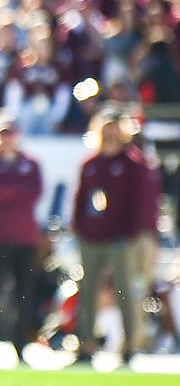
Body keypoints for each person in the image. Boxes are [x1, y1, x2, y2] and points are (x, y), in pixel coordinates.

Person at [71, 111, 155, 365]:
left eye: (114, 127)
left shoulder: (133, 163)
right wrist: (79, 227)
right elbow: (81, 197)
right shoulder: (91, 163)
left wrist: (131, 233)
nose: (110, 133)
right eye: (106, 127)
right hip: (92, 236)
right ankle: (86, 344)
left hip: (120, 238)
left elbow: (141, 203)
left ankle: (130, 345)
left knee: (124, 290)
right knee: (89, 290)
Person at [0, 112, 43, 361]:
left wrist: (7, 192)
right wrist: (16, 189)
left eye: (10, 133)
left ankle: (20, 345)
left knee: (24, 295)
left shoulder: (31, 163)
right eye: (2, 133)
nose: (7, 139)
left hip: (25, 238)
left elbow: (34, 194)